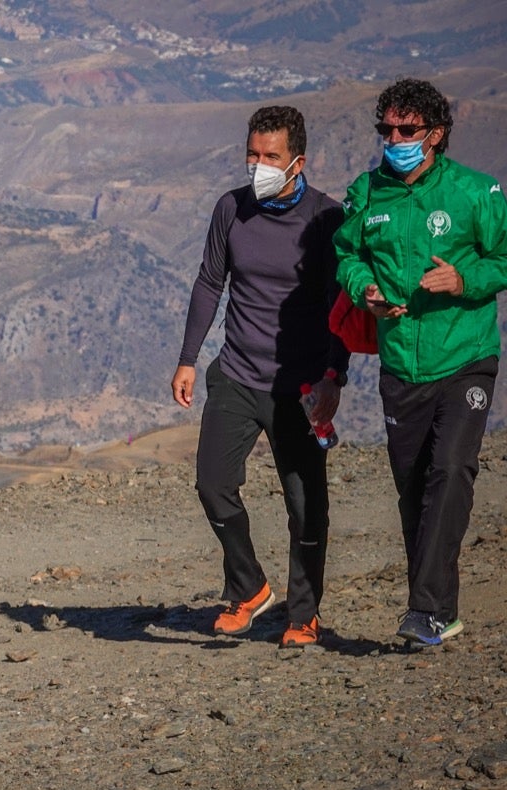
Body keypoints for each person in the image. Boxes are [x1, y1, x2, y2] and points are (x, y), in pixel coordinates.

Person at [334, 78, 507, 647]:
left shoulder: (476, 193)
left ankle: (425, 610)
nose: (393, 138)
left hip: (464, 356)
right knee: (414, 490)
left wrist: (465, 279)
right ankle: (441, 610)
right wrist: (366, 291)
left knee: (451, 469)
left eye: (405, 129)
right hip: (401, 363)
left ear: (435, 134)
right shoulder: (368, 193)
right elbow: (347, 254)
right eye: (385, 128)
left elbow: (503, 257)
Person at [172, 106, 350, 649]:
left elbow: (339, 304)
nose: (258, 166)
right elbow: (210, 282)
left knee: (304, 505)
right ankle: (248, 588)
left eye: (270, 157)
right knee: (212, 483)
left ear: (298, 161)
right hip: (237, 373)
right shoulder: (232, 208)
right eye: (252, 154)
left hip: (299, 386)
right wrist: (188, 358)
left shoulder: (326, 219)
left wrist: (333, 377)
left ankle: (304, 612)